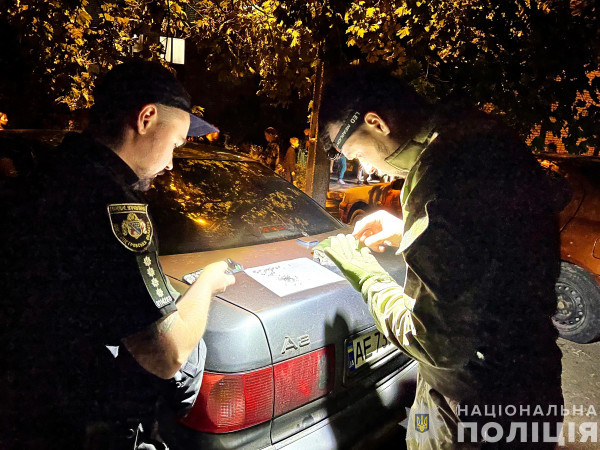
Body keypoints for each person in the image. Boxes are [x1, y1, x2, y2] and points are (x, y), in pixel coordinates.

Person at [314, 67, 568, 448]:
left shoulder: (438, 175)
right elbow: (490, 242)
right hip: (534, 385)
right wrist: (409, 230)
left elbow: (437, 344)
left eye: (355, 153)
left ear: (375, 122)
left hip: (472, 411)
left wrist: (368, 277)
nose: (363, 167)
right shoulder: (482, 136)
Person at [0, 61, 235, 449]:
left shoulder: (49, 175)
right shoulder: (116, 206)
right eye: (175, 143)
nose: (171, 163)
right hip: (81, 426)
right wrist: (208, 283)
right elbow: (168, 353)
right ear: (146, 118)